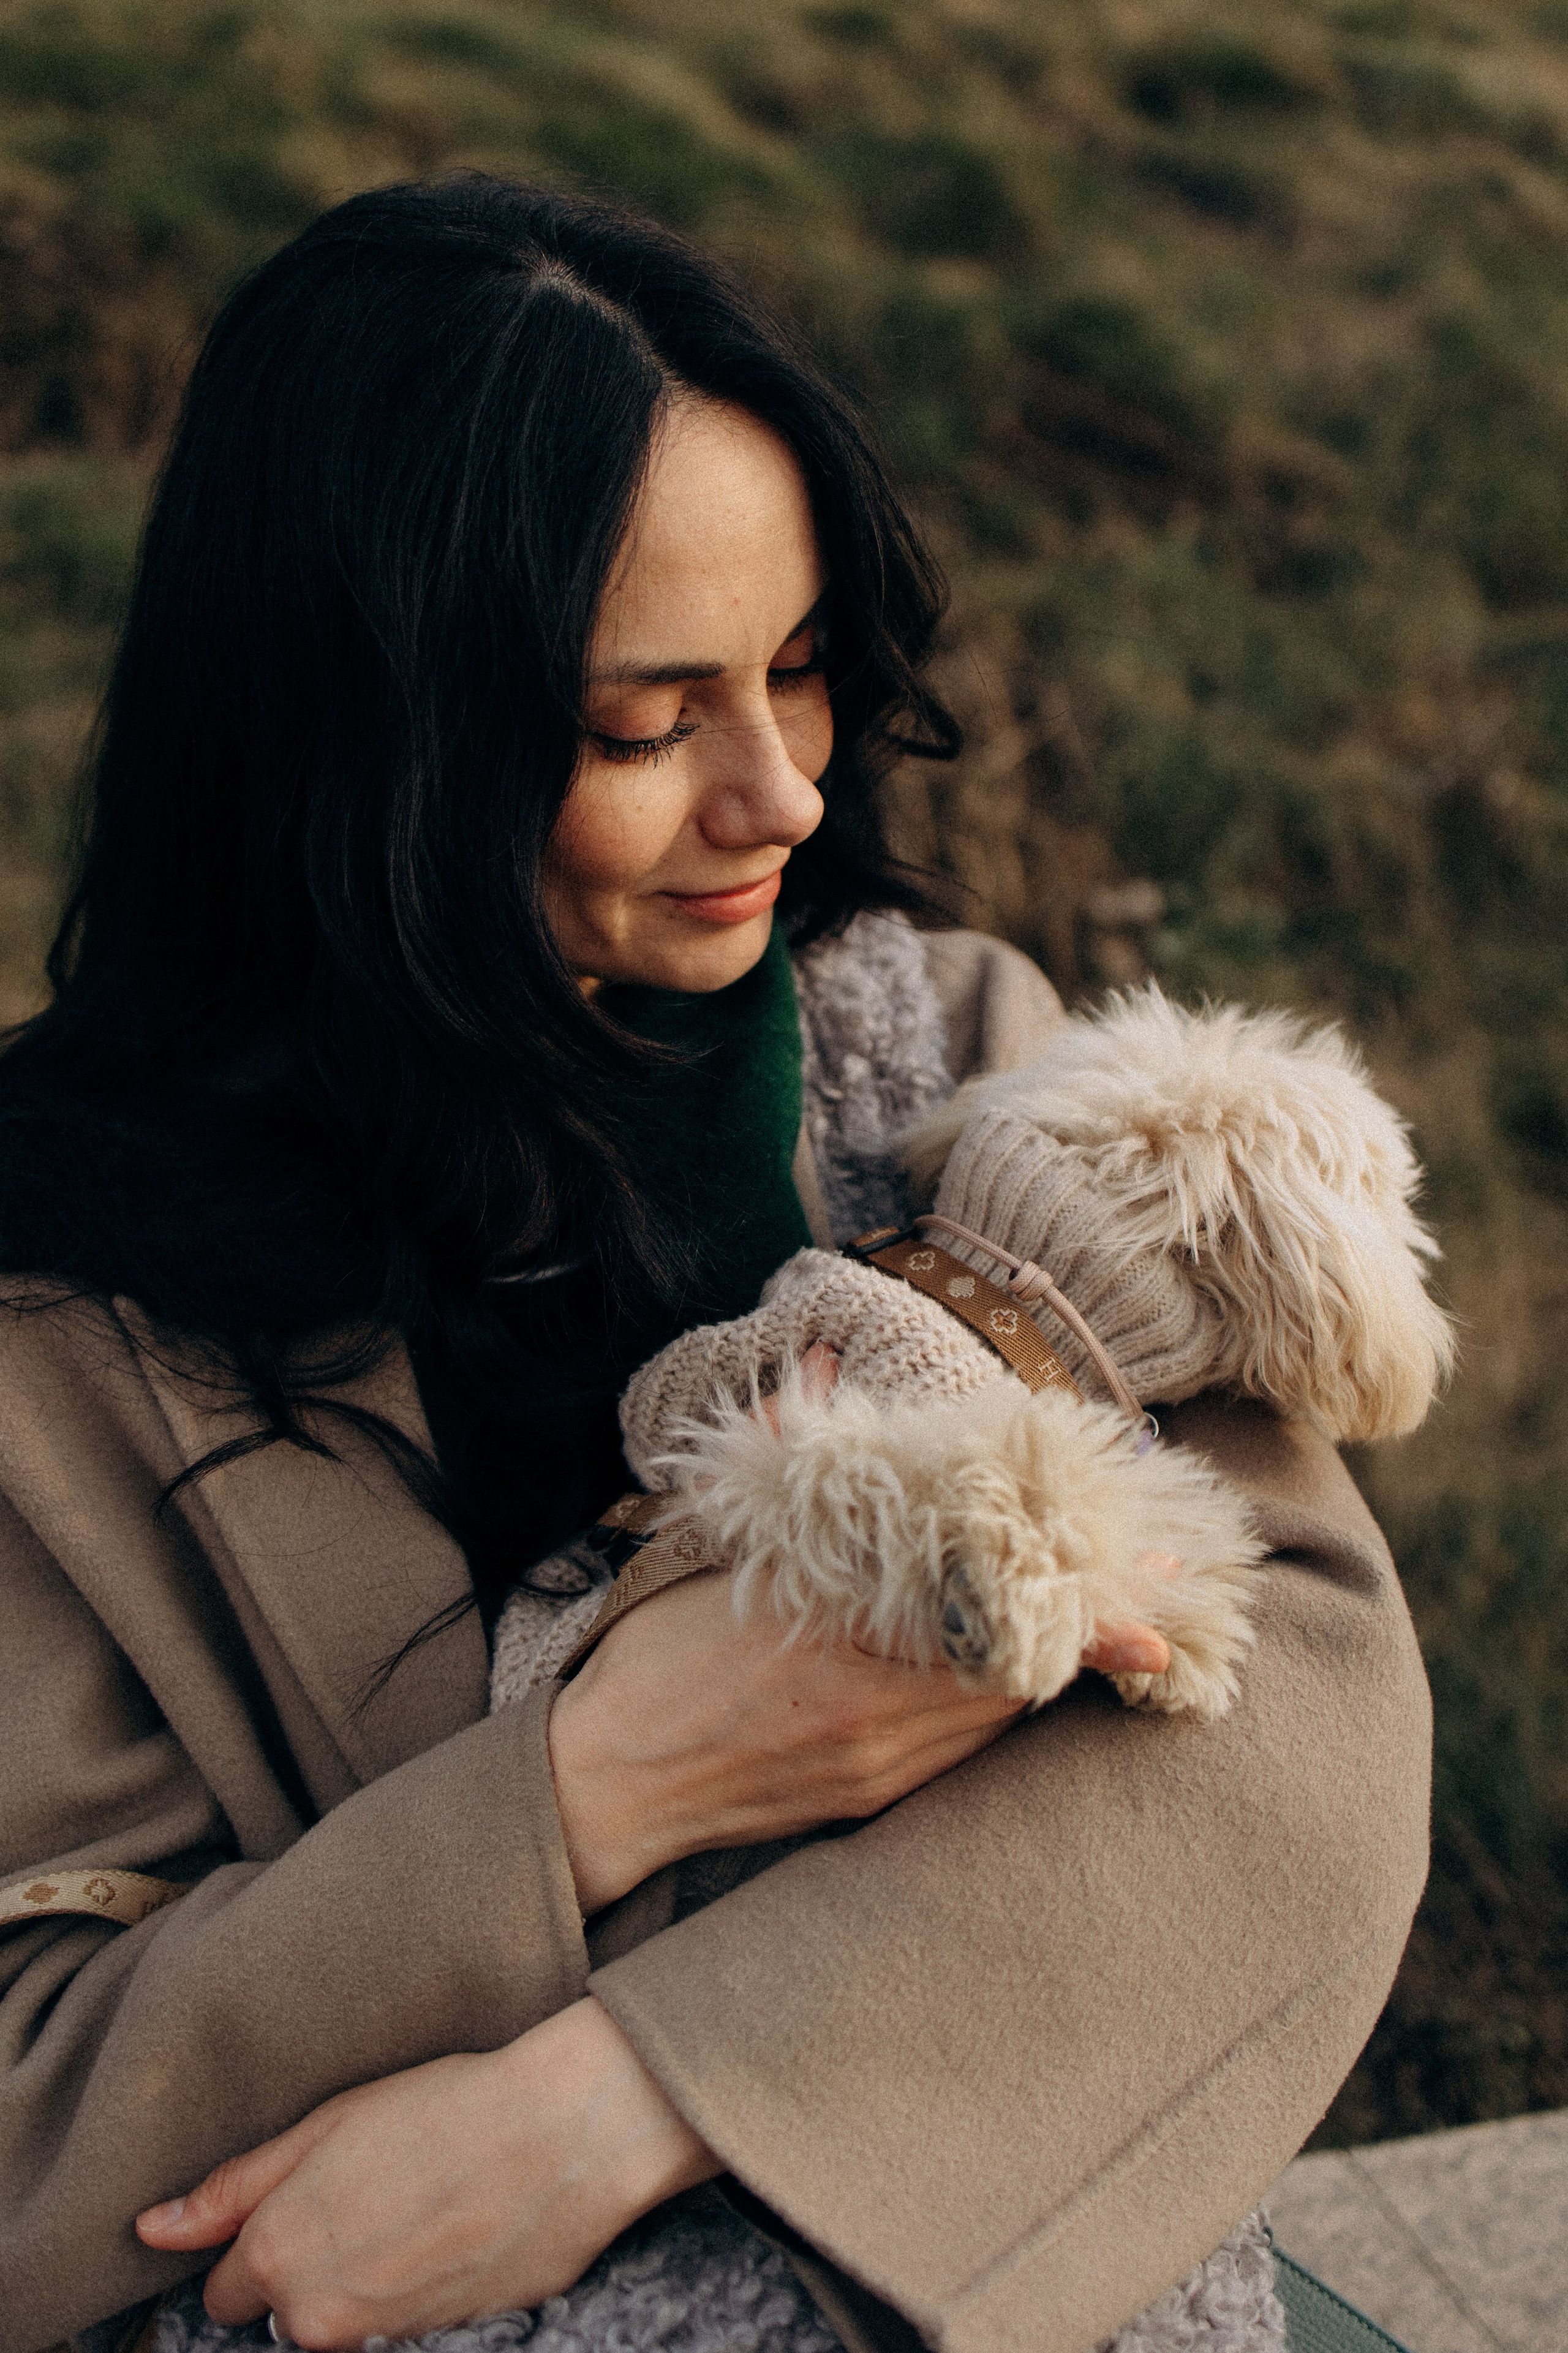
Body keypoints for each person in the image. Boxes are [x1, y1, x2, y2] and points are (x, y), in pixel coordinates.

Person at [0, 176, 1430, 2353]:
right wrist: (609, 1781)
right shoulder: (53, 1314)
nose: (777, 793)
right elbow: (38, 2120)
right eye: (640, 721)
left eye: (798, 670)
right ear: (365, 739)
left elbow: (1302, 1735)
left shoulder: (933, 1057)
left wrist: (624, 2101)